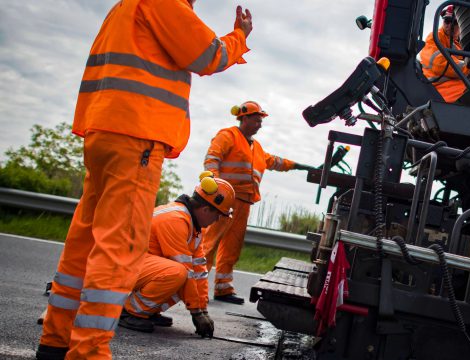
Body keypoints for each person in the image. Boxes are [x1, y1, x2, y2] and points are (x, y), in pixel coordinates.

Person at [37, 1, 254, 359]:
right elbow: (208, 55)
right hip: (137, 134)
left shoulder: (125, 7)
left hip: (104, 129)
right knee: (119, 248)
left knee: (85, 242)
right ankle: (88, 351)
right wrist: (240, 37)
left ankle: (56, 340)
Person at [202, 101, 313, 304]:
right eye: (256, 120)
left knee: (232, 247)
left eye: (261, 121)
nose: (260, 124)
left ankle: (223, 288)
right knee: (209, 244)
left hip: (243, 202)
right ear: (244, 118)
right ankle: (195, 286)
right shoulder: (228, 136)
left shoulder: (256, 147)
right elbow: (212, 159)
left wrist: (301, 166)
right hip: (223, 200)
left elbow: (276, 162)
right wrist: (215, 186)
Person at [117, 174, 234, 337]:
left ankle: (148, 310)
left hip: (136, 265)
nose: (216, 220)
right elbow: (186, 270)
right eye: (218, 215)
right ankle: (130, 312)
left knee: (184, 276)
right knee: (178, 273)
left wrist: (203, 309)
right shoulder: (176, 220)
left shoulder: (194, 227)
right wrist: (196, 313)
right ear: (206, 209)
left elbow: (199, 270)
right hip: (120, 266)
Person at [419, 5, 470, 102]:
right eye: (447, 21)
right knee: (469, 93)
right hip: (437, 87)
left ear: (460, 25)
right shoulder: (435, 37)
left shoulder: (459, 45)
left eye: (454, 22)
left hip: (453, 83)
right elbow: (439, 63)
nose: (449, 25)